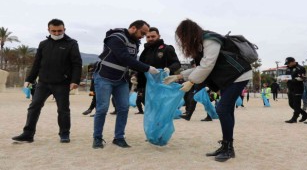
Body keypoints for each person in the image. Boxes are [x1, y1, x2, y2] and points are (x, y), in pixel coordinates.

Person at [163, 19, 252, 162]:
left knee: (222, 109)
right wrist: (178, 76)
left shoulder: (209, 39)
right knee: (227, 110)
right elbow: (201, 66)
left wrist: (191, 81)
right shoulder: (200, 44)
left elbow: (207, 65)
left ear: (189, 33)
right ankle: (226, 145)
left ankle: (228, 148)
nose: (182, 40)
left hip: (238, 75)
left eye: (182, 36)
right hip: (228, 78)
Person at [12, 19, 82, 143]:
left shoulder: (72, 44)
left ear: (64, 29)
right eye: (53, 31)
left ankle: (64, 134)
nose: (56, 33)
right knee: (34, 107)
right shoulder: (43, 44)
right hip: (43, 83)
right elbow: (37, 63)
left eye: (59, 30)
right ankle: (28, 134)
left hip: (62, 83)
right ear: (48, 30)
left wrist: (75, 80)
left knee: (63, 110)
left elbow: (77, 63)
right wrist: (29, 79)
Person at [92, 20, 159, 149]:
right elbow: (124, 58)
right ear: (133, 28)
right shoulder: (115, 38)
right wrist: (147, 68)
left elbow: (133, 61)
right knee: (102, 108)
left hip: (121, 79)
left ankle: (119, 137)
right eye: (142, 33)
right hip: (104, 77)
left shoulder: (135, 43)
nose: (143, 36)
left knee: (123, 108)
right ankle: (97, 137)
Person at [136, 27, 181, 114]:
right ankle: (153, 127)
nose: (150, 39)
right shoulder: (144, 52)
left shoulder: (167, 48)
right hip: (148, 88)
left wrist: (169, 69)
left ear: (158, 36)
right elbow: (140, 70)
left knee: (163, 110)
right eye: (148, 37)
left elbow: (177, 63)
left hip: (164, 85)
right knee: (151, 111)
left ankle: (162, 127)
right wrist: (140, 88)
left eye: (153, 36)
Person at [283, 57, 307, 123]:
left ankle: (294, 118)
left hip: (298, 88)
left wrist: (291, 80)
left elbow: (302, 78)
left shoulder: (300, 68)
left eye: (289, 63)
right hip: (290, 88)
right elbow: (287, 77)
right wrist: (285, 79)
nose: (288, 65)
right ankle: (305, 115)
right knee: (291, 104)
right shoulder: (288, 68)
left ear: (293, 61)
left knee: (296, 104)